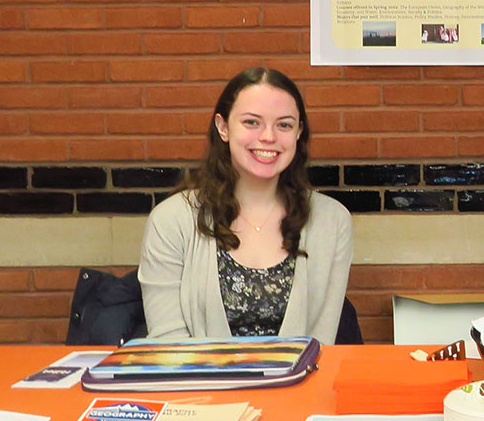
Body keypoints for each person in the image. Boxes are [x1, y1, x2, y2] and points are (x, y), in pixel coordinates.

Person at [139, 67, 353, 344]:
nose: (268, 137)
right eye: (252, 122)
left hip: (302, 386)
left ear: (298, 132)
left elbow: (321, 345)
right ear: (223, 127)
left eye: (284, 125)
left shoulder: (332, 221)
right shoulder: (171, 221)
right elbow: (168, 345)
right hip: (196, 385)